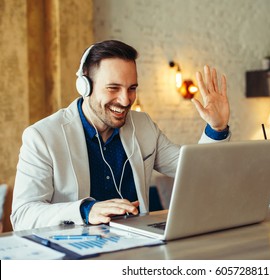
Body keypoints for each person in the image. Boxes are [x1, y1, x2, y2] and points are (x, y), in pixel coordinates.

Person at [11, 40, 230, 230]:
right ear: (85, 86)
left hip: (138, 251)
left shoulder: (143, 125)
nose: (126, 100)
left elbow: (196, 171)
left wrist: (217, 127)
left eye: (132, 88)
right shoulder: (41, 136)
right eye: (113, 88)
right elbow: (23, 215)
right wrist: (86, 210)